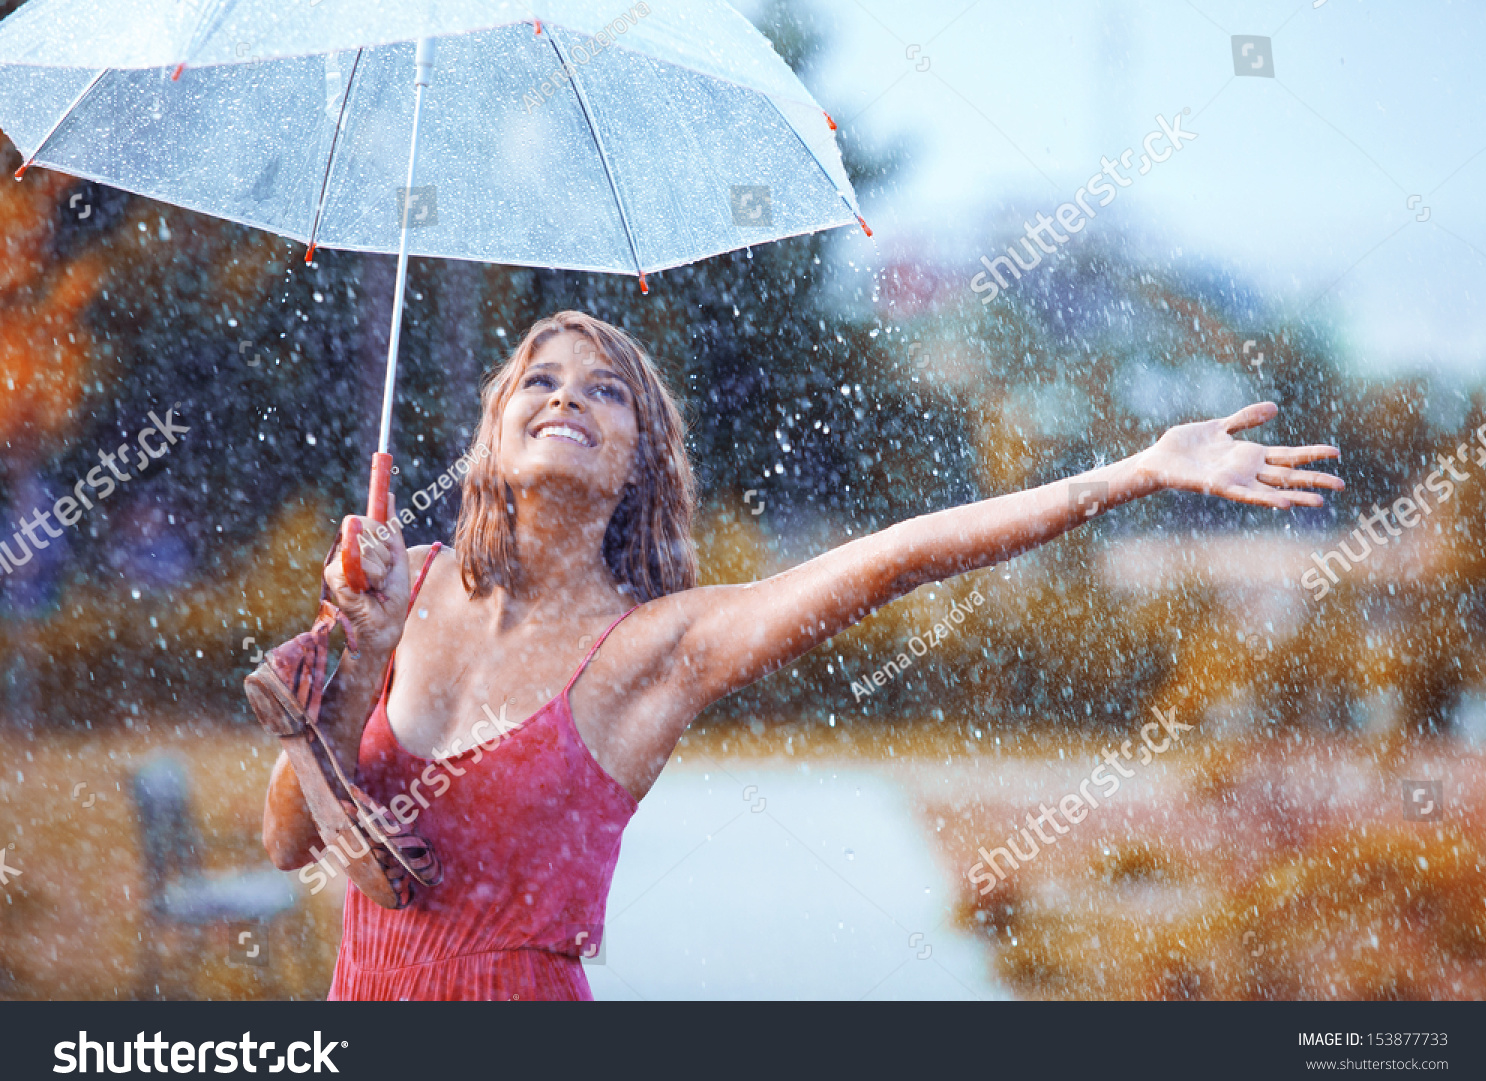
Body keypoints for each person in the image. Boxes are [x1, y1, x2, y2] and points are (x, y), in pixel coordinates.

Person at [261, 309, 1342, 1000]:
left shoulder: (656, 650)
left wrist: (1136, 473)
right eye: (540, 380)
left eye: (605, 391)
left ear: (641, 459)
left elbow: (889, 561)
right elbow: (287, 840)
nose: (566, 398)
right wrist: (361, 655)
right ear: (496, 428)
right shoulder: (401, 585)